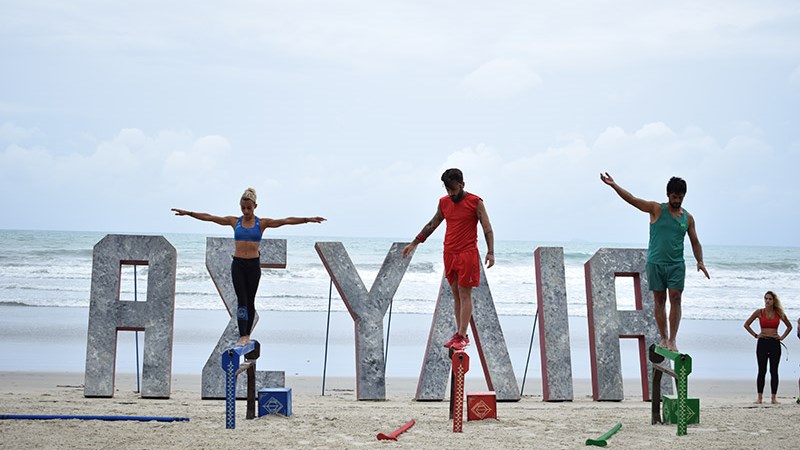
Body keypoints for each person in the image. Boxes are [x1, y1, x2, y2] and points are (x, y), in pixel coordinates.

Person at [172, 187, 325, 347]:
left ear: (255, 207)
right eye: (243, 208)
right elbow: (210, 218)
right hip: (237, 264)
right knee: (241, 300)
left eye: (249, 208)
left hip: (253, 266)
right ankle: (243, 335)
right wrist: (189, 213)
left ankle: (247, 335)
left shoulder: (262, 223)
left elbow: (286, 221)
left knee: (250, 301)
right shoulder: (234, 221)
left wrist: (308, 219)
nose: (246, 211)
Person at [600, 173, 709, 352]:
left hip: (676, 265)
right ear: (668, 195)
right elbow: (632, 199)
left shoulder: (687, 218)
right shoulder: (657, 209)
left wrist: (700, 261)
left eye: (681, 197)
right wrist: (614, 185)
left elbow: (695, 241)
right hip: (655, 263)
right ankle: (663, 338)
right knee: (659, 300)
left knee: (676, 298)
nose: (677, 200)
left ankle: (673, 339)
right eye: (674, 196)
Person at [402, 168, 495, 351]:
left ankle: (462, 335)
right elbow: (432, 224)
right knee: (455, 294)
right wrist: (414, 243)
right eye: (448, 190)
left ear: (462, 185)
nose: (451, 194)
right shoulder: (444, 203)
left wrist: (491, 252)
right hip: (449, 253)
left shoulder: (475, 202)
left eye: (453, 189)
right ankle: (459, 333)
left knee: (464, 293)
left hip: (467, 253)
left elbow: (487, 227)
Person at [744, 291, 792, 404]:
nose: (767, 301)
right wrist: (756, 335)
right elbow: (746, 324)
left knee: (774, 371)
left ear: (774, 300)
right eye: (766, 298)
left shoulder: (779, 313)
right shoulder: (759, 312)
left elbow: (789, 326)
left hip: (775, 343)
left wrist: (782, 337)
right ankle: (759, 398)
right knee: (762, 370)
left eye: (770, 299)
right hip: (762, 343)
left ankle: (773, 398)